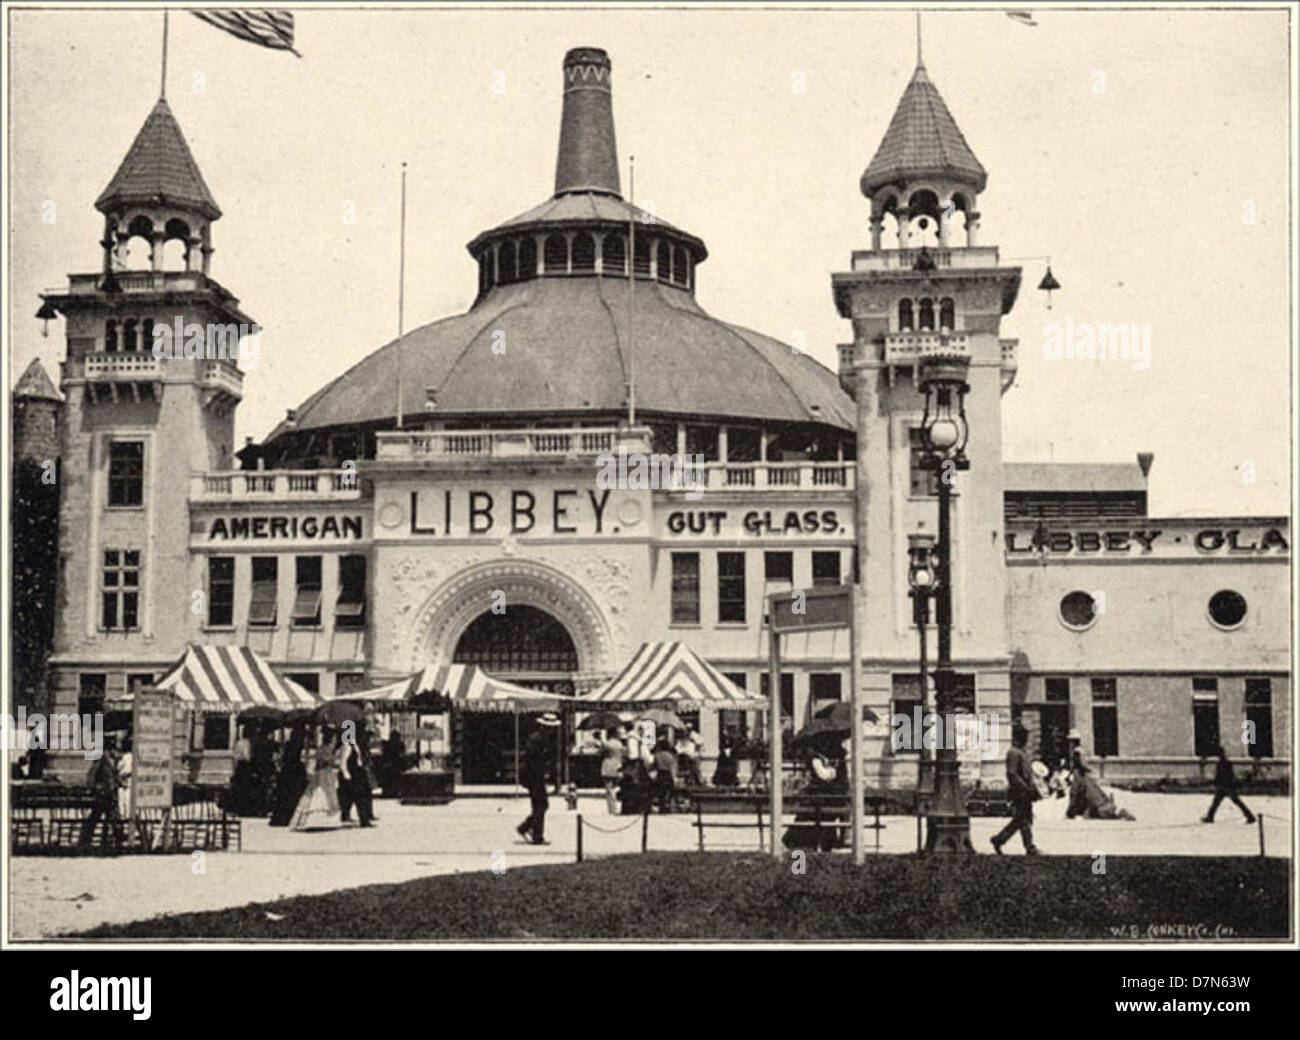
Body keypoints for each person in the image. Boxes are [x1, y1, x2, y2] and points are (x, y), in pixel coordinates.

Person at [991, 724, 1040, 855]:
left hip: (1024, 792)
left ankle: (999, 839)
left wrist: (1032, 787)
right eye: (1024, 737)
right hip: (1019, 793)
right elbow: (1012, 774)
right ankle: (1029, 847)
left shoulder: (1020, 752)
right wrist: (1025, 788)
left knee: (1022, 819)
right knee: (1022, 819)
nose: (1026, 740)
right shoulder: (1013, 752)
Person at [517, 713, 560, 844]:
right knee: (540, 805)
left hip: (537, 776)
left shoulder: (543, 739)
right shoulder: (536, 739)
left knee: (541, 805)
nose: (552, 730)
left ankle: (526, 827)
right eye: (549, 727)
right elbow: (532, 759)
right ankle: (537, 835)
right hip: (533, 776)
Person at [78, 741, 126, 850]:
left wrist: (119, 782)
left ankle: (112, 840)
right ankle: (87, 840)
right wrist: (94, 788)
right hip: (102, 794)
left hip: (110, 794)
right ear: (110, 750)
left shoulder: (113, 760)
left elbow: (113, 776)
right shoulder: (101, 759)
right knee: (100, 817)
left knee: (110, 817)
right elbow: (91, 774)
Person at [291, 730, 343, 831]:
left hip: (326, 773)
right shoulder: (324, 749)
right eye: (333, 738)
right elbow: (321, 762)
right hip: (323, 773)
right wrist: (330, 761)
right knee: (322, 795)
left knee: (329, 795)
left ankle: (329, 820)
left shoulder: (327, 749)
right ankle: (317, 820)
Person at [1202, 744, 1255, 824]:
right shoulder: (1226, 762)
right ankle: (1250, 816)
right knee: (1230, 802)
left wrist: (1217, 782)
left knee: (1219, 802)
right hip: (1227, 786)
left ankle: (1250, 816)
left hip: (1225, 786)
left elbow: (1222, 775)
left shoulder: (1222, 763)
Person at [269, 726, 308, 827]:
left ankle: (284, 817)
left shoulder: (287, 745)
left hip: (287, 772)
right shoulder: (296, 746)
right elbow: (293, 759)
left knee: (286, 796)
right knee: (292, 794)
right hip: (293, 772)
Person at [600, 729, 625, 814]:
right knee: (615, 788)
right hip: (618, 766)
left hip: (607, 766)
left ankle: (612, 808)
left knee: (609, 789)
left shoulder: (608, 744)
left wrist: (602, 738)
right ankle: (616, 806)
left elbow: (600, 752)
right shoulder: (620, 744)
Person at [653, 738, 677, 813]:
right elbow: (672, 767)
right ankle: (668, 806)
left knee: (660, 792)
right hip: (668, 774)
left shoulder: (657, 755)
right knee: (668, 791)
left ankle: (661, 806)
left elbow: (654, 765)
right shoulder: (670, 756)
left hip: (660, 773)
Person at [116, 737, 134, 819]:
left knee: (123, 802)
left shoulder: (125, 757)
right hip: (126, 781)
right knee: (126, 801)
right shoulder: (130, 757)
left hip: (124, 780)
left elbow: (118, 768)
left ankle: (124, 817)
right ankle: (126, 816)